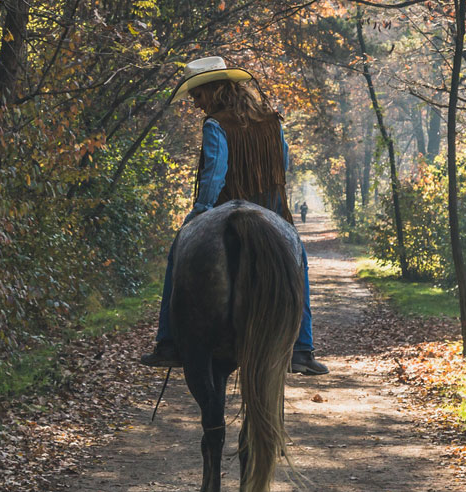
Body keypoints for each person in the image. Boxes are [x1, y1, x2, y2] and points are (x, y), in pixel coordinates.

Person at [140, 56, 329, 375]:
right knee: (297, 264)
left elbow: (215, 173)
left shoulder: (215, 123)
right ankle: (302, 348)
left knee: (177, 255)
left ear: (212, 90)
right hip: (273, 211)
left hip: (226, 208)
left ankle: (168, 342)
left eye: (197, 96)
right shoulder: (272, 119)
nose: (197, 105)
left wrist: (200, 213)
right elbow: (283, 162)